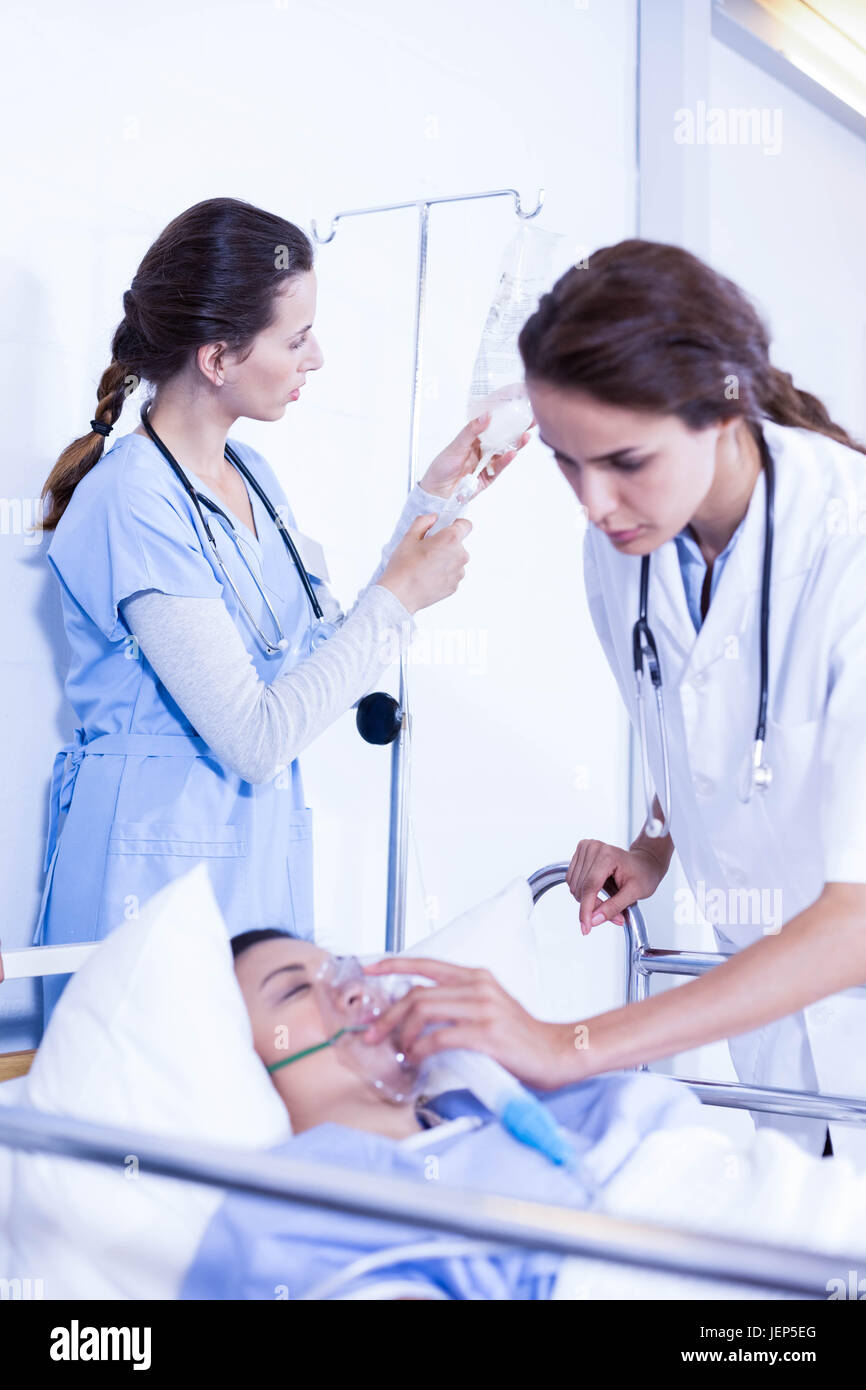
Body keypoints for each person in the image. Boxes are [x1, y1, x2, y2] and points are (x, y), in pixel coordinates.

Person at [362, 239, 866, 1167]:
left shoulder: (847, 552)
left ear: (721, 408)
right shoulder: (625, 549)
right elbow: (705, 731)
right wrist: (655, 846)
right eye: (566, 462)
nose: (594, 503)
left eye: (626, 459)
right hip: (774, 1046)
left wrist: (565, 1044)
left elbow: (856, 920)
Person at [34, 196, 529, 1027]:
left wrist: (435, 499)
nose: (319, 358)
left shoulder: (253, 475)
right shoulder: (135, 500)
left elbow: (318, 658)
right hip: (146, 879)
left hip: (248, 865)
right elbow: (257, 736)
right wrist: (399, 597)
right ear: (220, 357)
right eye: (297, 339)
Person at [180, 928, 701, 1301]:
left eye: (340, 968)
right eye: (295, 990)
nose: (354, 989)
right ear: (239, 1054)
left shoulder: (494, 1105)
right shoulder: (291, 1207)